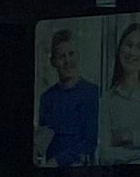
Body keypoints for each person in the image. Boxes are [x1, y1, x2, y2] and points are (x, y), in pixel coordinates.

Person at [96, 21, 140, 165]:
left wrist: (131, 137)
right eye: (128, 45)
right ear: (120, 49)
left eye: (138, 47)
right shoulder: (107, 99)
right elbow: (105, 153)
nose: (132, 52)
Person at [36, 26, 99, 167]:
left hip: (81, 174)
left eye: (71, 54)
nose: (67, 61)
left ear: (78, 56)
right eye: (62, 56)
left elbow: (90, 141)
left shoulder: (92, 93)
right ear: (53, 62)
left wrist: (58, 162)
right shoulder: (46, 98)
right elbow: (41, 141)